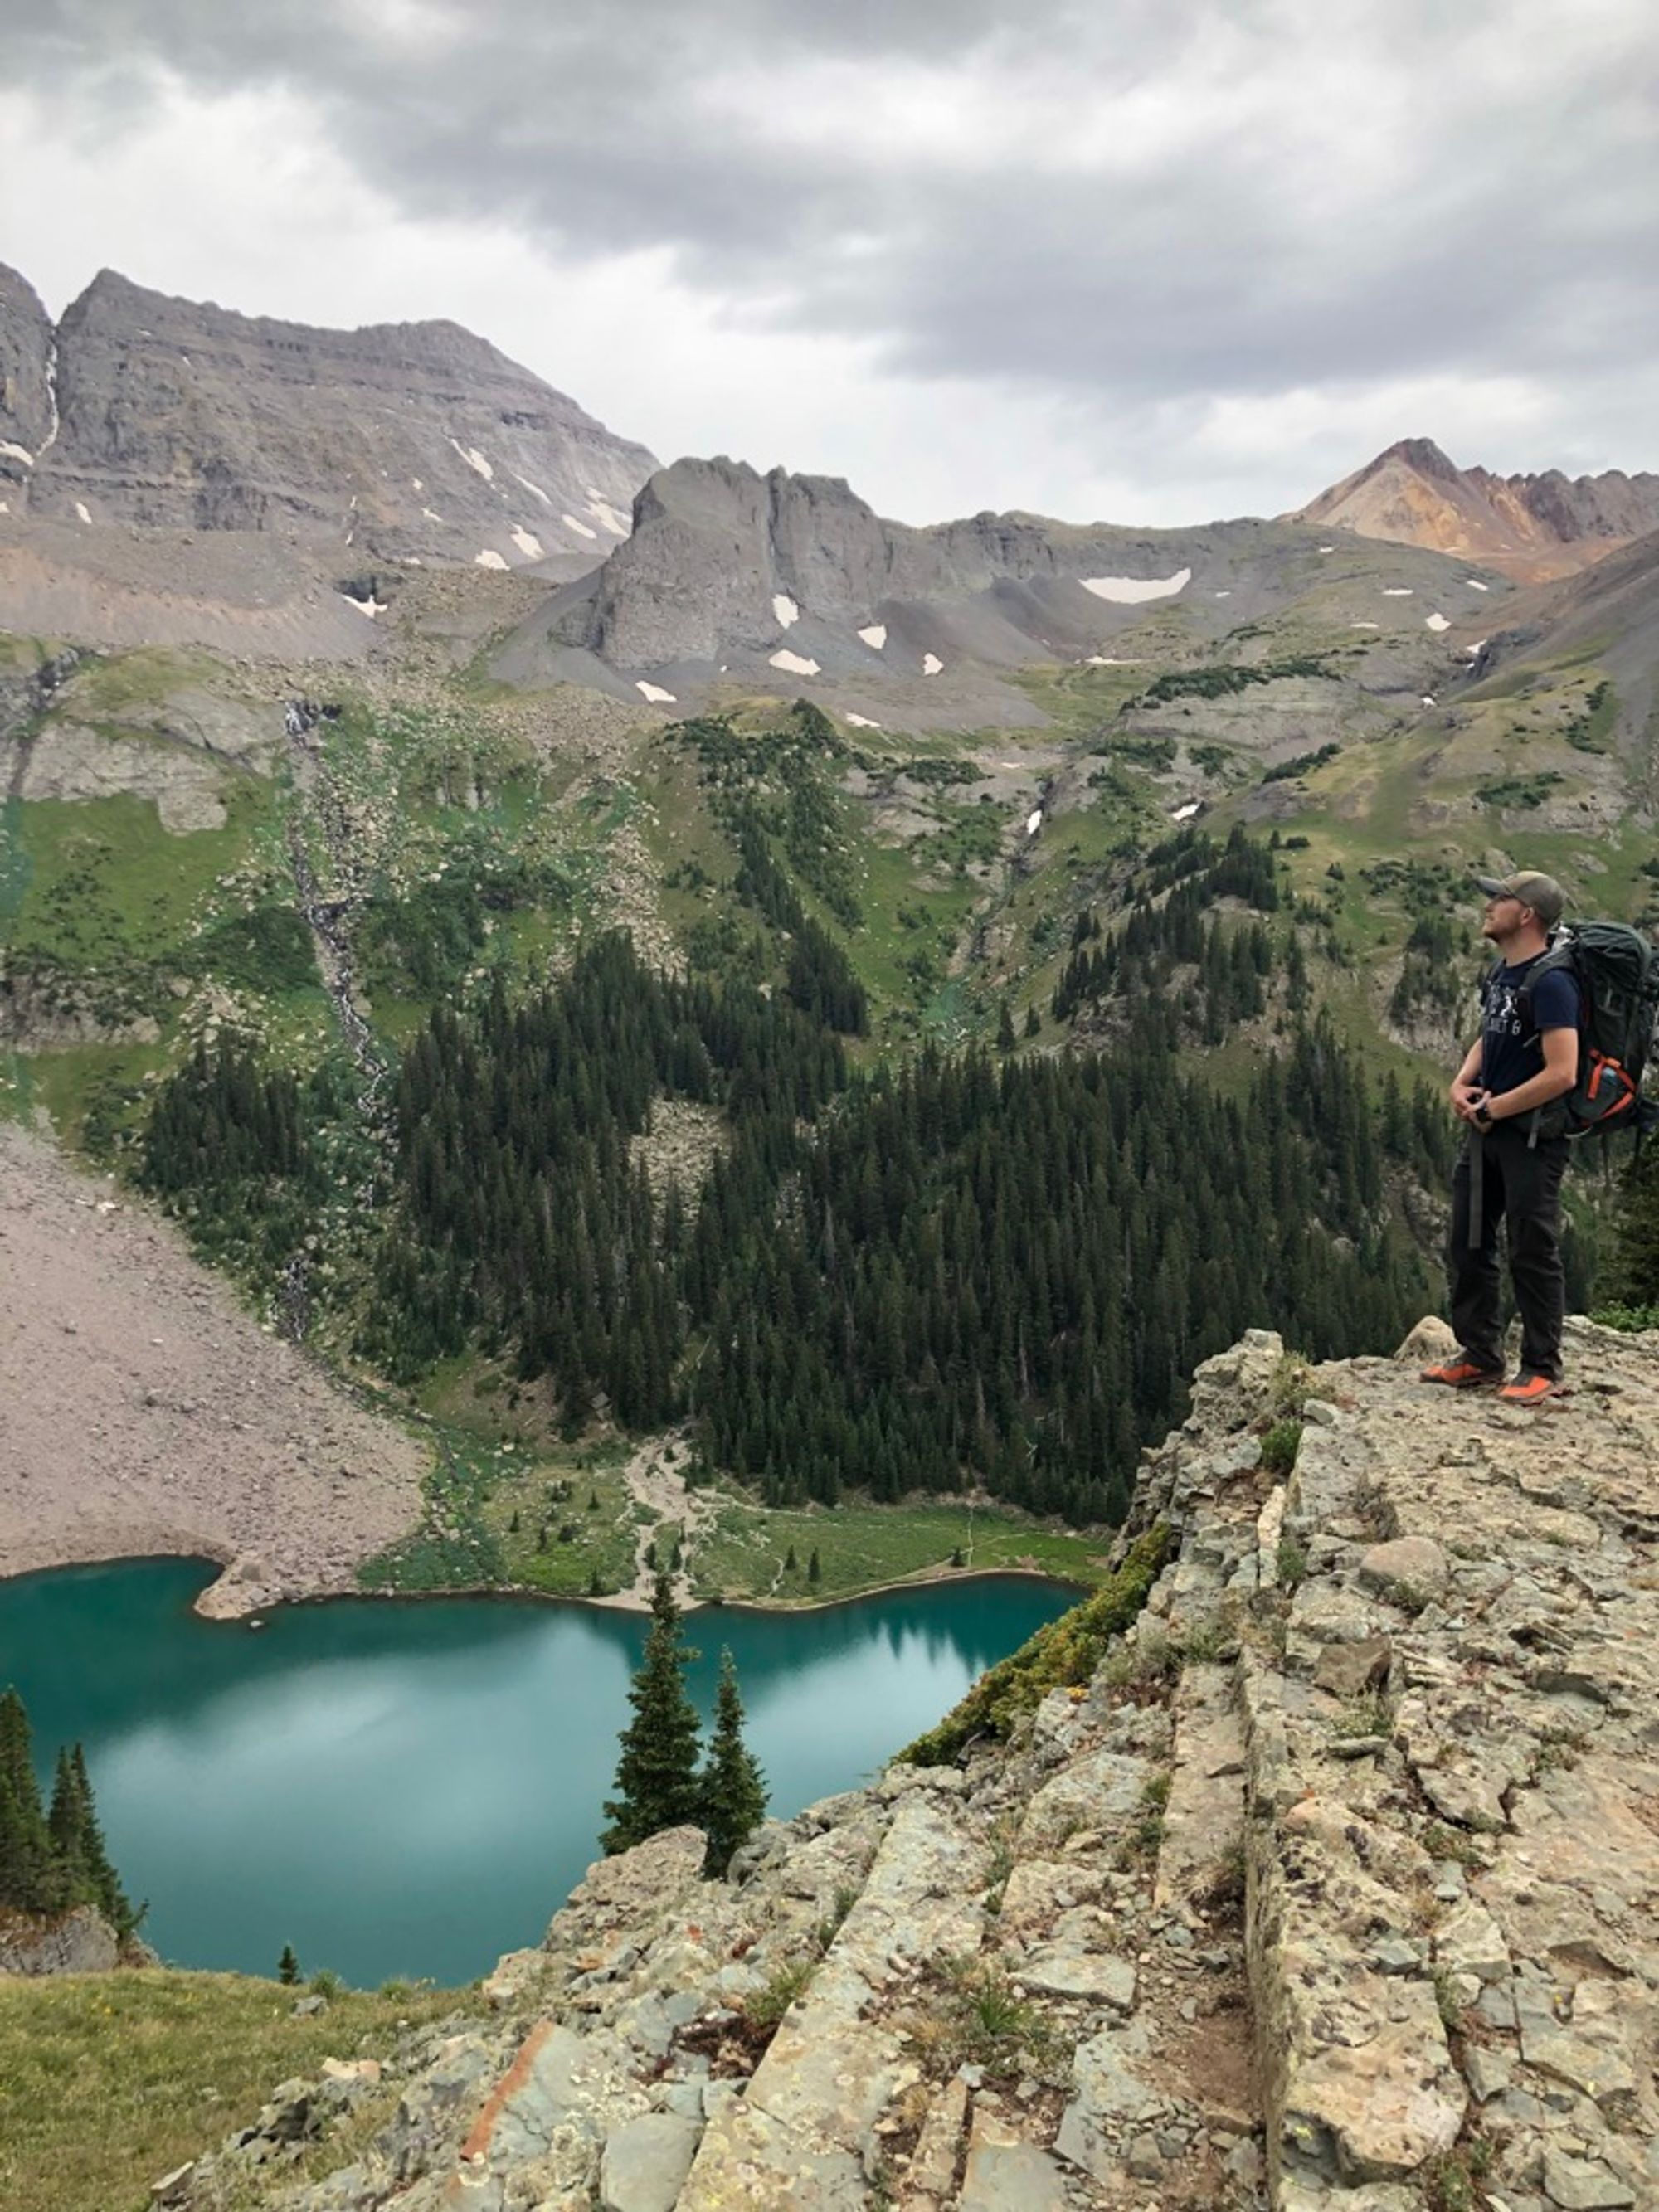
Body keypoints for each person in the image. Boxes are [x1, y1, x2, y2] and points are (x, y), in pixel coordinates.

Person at [1421, 872, 1579, 1404]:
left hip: (1534, 1137)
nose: (1489, 905)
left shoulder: (1553, 981)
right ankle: (1481, 1356)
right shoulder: (1503, 971)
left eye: (1501, 898)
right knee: (1468, 1239)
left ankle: (1542, 1367)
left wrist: (1494, 1107)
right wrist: (1462, 1082)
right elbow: (1490, 1035)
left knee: (1531, 1248)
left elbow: (1563, 1072)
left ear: (1527, 914)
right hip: (1488, 1130)